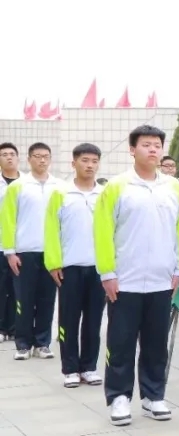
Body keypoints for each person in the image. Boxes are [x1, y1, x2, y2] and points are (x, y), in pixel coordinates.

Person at [94, 126, 179, 425]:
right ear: (132, 149)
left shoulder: (173, 187)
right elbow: (102, 232)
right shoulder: (117, 186)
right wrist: (107, 272)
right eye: (146, 144)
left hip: (162, 279)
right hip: (126, 279)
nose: (153, 149)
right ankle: (119, 397)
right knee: (121, 340)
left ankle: (153, 395)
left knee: (155, 341)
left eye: (157, 145)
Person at [44, 143, 106, 388]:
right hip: (69, 266)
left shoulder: (105, 195)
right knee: (68, 319)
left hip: (99, 268)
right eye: (84, 160)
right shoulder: (61, 193)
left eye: (94, 161)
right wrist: (53, 263)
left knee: (94, 320)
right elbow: (51, 231)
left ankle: (89, 367)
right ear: (74, 163)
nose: (89, 165)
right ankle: (70, 368)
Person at [1, 142, 61, 359]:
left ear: (50, 159)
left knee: (47, 299)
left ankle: (42, 343)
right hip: (24, 251)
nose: (42, 160)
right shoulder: (18, 186)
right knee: (24, 300)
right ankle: (23, 344)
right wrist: (10, 251)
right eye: (37, 156)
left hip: (51, 253)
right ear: (29, 159)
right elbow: (8, 221)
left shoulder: (59, 186)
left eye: (46, 156)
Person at [0, 143, 20, 340]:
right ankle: (1, 328)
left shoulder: (26, 183)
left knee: (17, 289)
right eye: (4, 154)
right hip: (0, 243)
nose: (8, 157)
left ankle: (14, 327)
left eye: (12, 154)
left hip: (20, 244)